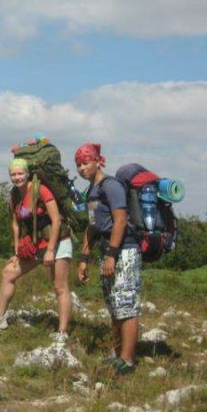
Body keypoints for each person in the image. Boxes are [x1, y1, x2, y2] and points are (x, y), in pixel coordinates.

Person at [75, 143, 141, 375]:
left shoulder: (111, 186)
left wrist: (112, 256)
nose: (82, 168)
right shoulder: (92, 191)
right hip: (107, 250)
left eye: (86, 162)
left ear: (97, 161)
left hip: (124, 251)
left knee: (126, 305)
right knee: (114, 305)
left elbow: (120, 220)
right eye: (79, 164)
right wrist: (84, 257)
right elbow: (92, 227)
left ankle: (128, 361)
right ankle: (117, 354)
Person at [0, 158, 73, 343]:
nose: (17, 177)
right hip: (36, 242)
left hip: (57, 241)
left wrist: (51, 250)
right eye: (13, 174)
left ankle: (62, 332)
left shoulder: (40, 190)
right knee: (8, 272)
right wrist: (17, 249)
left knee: (60, 287)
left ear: (27, 174)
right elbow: (15, 223)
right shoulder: (14, 194)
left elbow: (56, 220)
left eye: (20, 173)